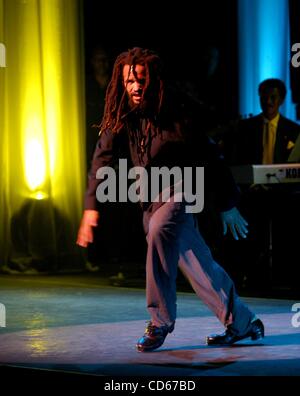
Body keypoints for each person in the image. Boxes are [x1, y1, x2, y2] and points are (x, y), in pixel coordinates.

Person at [77, 47, 264, 352]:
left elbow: (209, 153)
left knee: (161, 230)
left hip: (182, 190)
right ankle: (242, 322)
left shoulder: (174, 110)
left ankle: (160, 320)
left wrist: (227, 203)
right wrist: (90, 208)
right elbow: (102, 158)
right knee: (196, 263)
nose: (136, 86)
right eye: (129, 81)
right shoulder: (122, 113)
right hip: (150, 199)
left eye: (141, 79)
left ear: (151, 79)